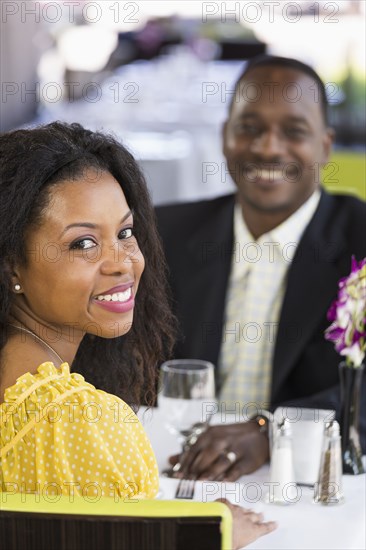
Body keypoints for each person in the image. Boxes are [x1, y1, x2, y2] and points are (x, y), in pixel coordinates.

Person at [0, 122, 276, 548]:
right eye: (84, 243)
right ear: (11, 266)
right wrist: (213, 536)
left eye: (125, 233)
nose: (122, 263)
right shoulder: (81, 422)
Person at [156, 55, 366, 481]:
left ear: (325, 146)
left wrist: (270, 431)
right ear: (224, 136)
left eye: (294, 131)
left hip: (304, 482)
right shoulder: (164, 232)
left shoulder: (359, 240)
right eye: (249, 127)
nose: (268, 147)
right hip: (179, 471)